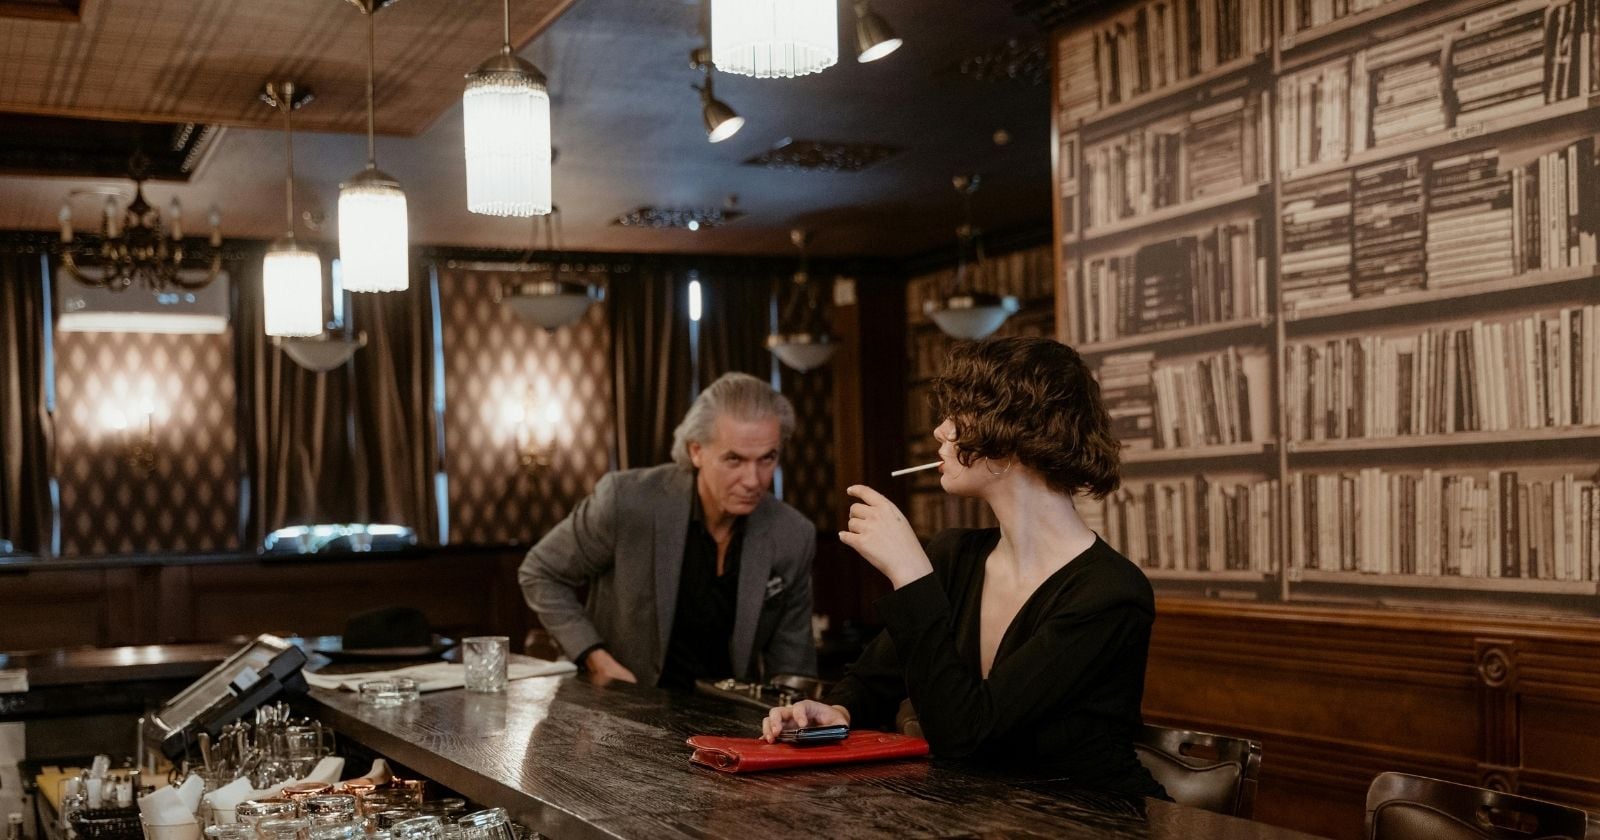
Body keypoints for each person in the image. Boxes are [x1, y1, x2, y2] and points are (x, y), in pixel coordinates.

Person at [761, 336, 1165, 799]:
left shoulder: (1111, 593)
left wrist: (910, 577)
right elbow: (871, 681)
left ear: (1010, 436)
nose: (940, 431)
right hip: (984, 812)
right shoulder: (955, 555)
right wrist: (838, 712)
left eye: (958, 415)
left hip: (1094, 819)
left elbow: (966, 735)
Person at [520, 371, 818, 690]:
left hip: (728, 713)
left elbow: (792, 666)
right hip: (622, 707)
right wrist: (594, 655)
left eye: (767, 459)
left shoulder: (792, 534)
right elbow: (540, 572)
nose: (753, 480)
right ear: (696, 451)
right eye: (734, 459)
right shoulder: (627, 500)